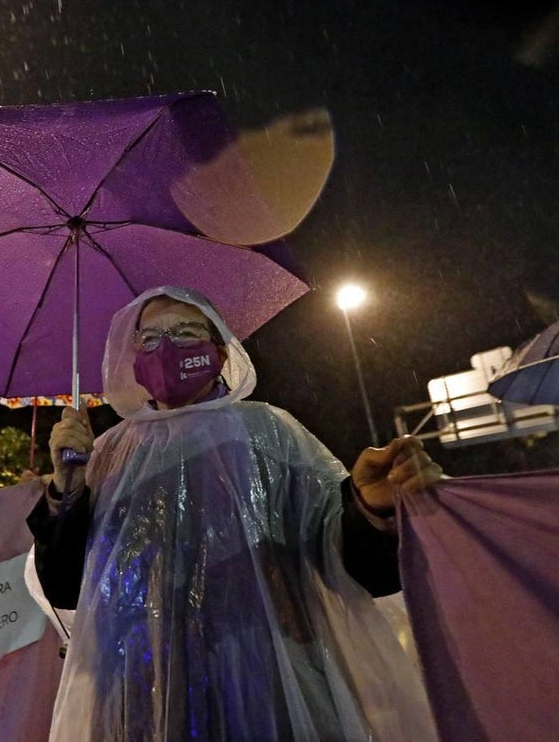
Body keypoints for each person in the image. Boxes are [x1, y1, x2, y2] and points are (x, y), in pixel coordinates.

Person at [27, 285, 447, 742]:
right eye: (149, 338)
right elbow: (65, 587)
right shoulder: (109, 455)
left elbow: (351, 564)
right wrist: (66, 491)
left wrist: (369, 507)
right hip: (144, 694)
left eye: (185, 333)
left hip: (264, 684)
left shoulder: (269, 433)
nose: (166, 349)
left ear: (221, 351)